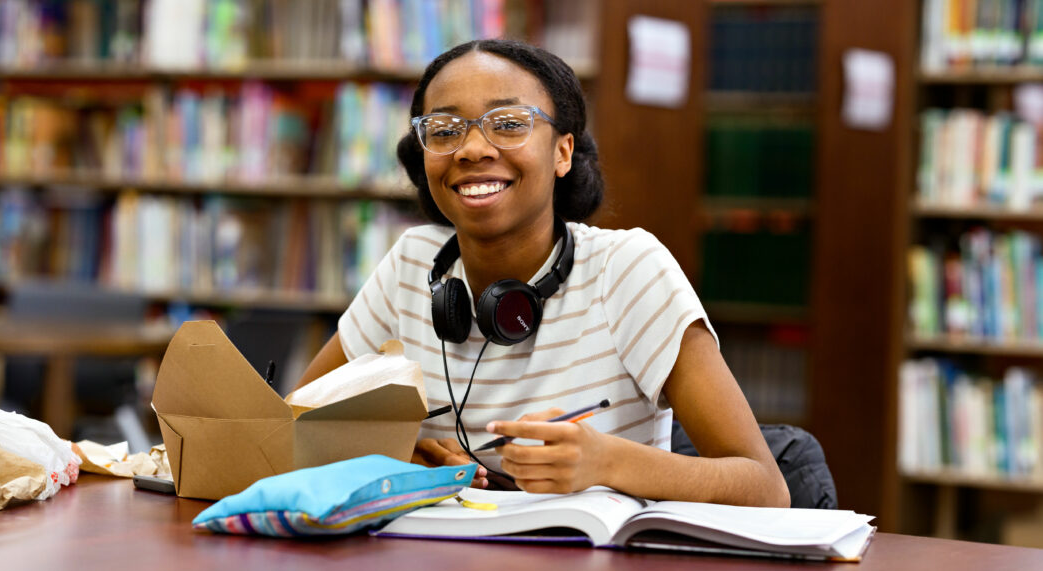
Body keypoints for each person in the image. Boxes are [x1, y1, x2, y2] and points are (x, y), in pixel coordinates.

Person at [296, 39, 789, 507]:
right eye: (444, 131)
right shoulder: (412, 263)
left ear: (563, 152)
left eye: (508, 123)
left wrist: (609, 463)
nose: (471, 149)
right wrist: (392, 455)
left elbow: (767, 489)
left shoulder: (627, 269)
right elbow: (289, 427)